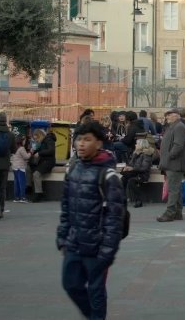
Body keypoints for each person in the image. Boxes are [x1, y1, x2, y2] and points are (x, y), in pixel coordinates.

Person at [57, 121, 126, 320]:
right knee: (70, 284)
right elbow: (66, 207)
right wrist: (62, 238)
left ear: (98, 143)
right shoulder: (73, 170)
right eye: (79, 139)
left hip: (97, 247)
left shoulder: (109, 175)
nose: (81, 144)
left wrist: (107, 251)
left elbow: (115, 218)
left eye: (87, 140)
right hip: (74, 243)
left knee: (96, 292)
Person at [157, 108, 185, 222]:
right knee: (176, 189)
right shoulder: (175, 126)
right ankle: (177, 213)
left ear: (176, 116)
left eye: (169, 115)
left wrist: (169, 156)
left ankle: (170, 213)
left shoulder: (178, 127)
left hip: (174, 163)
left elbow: (178, 145)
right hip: (173, 163)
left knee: (173, 189)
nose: (167, 117)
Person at [31, 127, 57, 203]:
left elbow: (51, 150)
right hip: (43, 161)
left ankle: (38, 193)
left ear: (40, 136)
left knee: (36, 174)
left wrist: (39, 153)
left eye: (37, 138)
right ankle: (29, 187)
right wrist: (34, 150)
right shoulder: (42, 142)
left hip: (49, 162)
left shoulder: (49, 140)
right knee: (29, 169)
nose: (36, 140)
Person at [11, 136, 31, 203]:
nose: (24, 141)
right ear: (21, 141)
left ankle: (16, 197)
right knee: (22, 183)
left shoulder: (14, 148)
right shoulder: (21, 148)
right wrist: (31, 152)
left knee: (16, 183)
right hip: (20, 167)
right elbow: (26, 157)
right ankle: (23, 197)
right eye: (23, 140)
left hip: (14, 167)